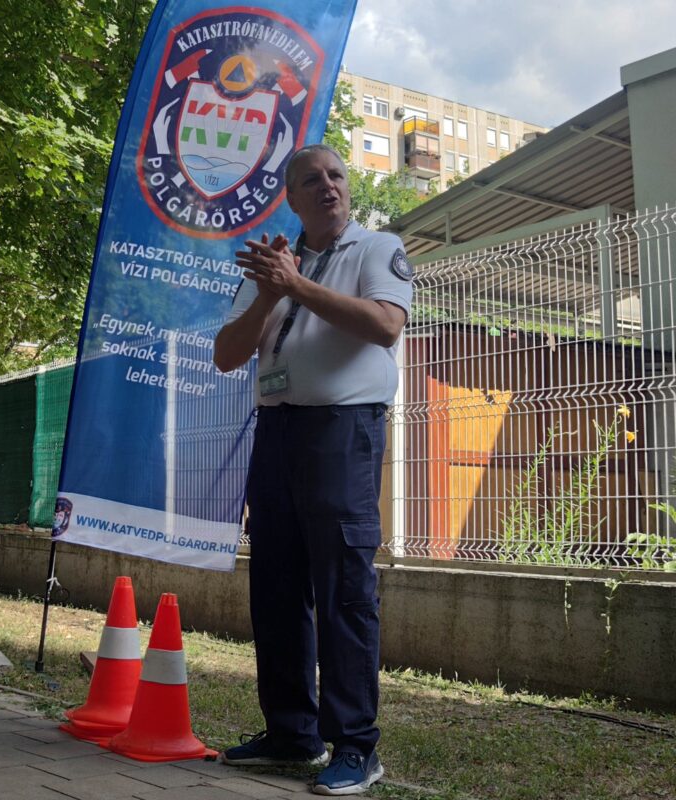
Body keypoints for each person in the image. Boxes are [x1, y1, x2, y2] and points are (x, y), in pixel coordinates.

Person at [213, 144, 412, 796]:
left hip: (342, 428)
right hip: (276, 430)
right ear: (291, 198)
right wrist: (271, 293)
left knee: (343, 586)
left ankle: (356, 745)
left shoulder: (377, 249)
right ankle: (292, 732)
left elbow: (384, 326)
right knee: (276, 583)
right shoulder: (272, 262)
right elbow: (225, 354)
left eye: (336, 176)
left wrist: (299, 286)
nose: (328, 186)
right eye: (311, 180)